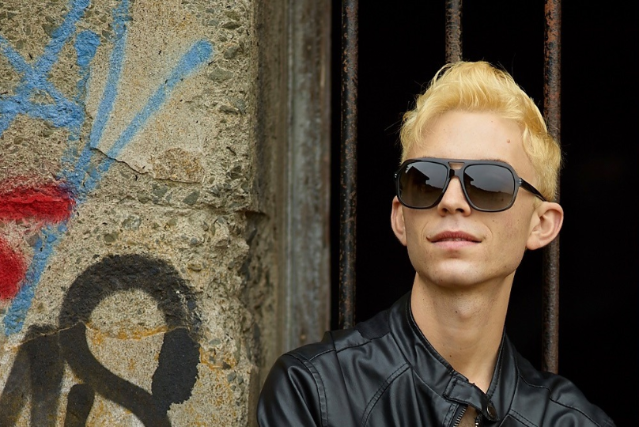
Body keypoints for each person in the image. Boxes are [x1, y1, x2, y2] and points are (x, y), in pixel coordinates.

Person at [256, 61, 615, 426]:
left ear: (541, 225)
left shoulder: (572, 422)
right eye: (425, 180)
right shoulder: (314, 391)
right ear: (401, 218)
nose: (451, 200)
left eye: (489, 182)